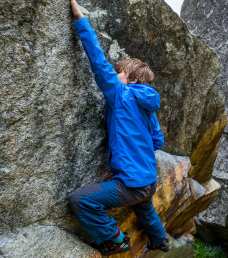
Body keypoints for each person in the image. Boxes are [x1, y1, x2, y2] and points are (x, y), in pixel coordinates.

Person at [69, 0, 169, 256]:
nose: (116, 74)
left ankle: (115, 241)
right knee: (144, 208)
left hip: (131, 185)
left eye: (120, 72)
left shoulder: (120, 94)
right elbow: (157, 141)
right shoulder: (148, 106)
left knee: (81, 200)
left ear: (131, 79)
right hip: (148, 181)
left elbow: (99, 63)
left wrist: (80, 19)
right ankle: (160, 241)